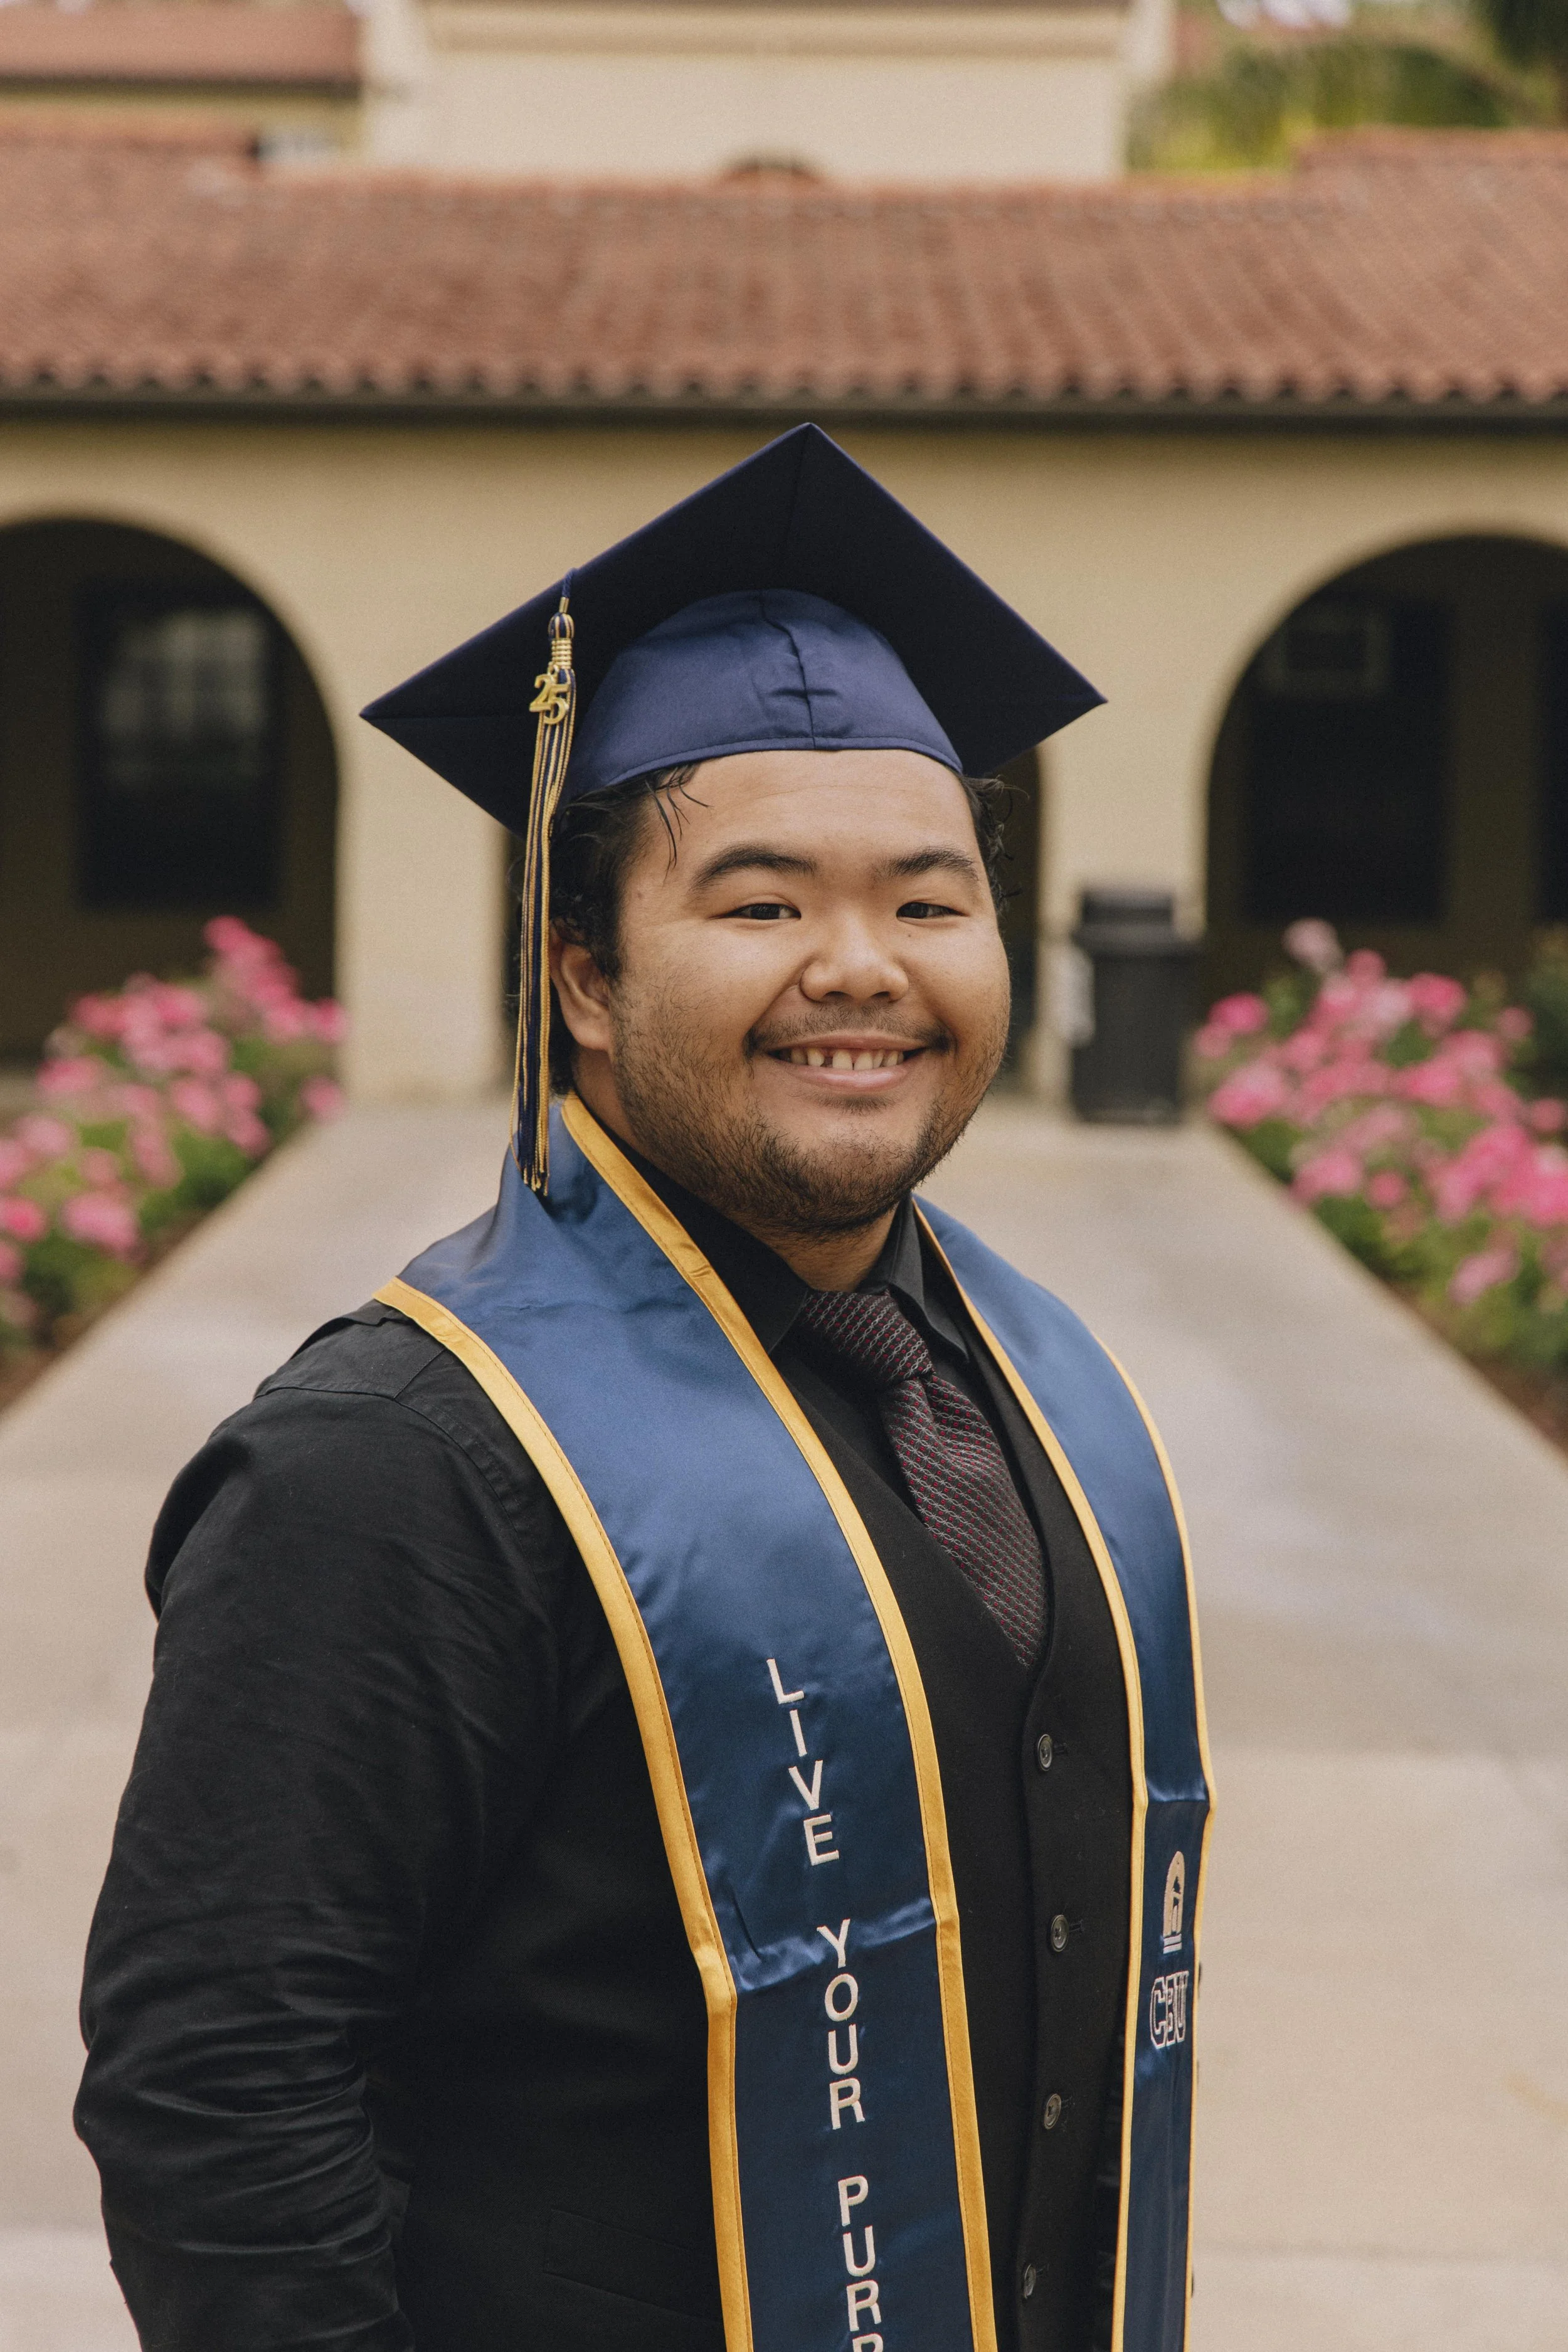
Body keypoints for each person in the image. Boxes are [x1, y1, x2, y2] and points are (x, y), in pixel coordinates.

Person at [76, 425, 1213, 2352]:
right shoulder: (399, 1463)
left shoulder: (1020, 1375)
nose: (862, 967)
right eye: (761, 905)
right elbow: (221, 2093)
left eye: (927, 902)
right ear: (582, 973)